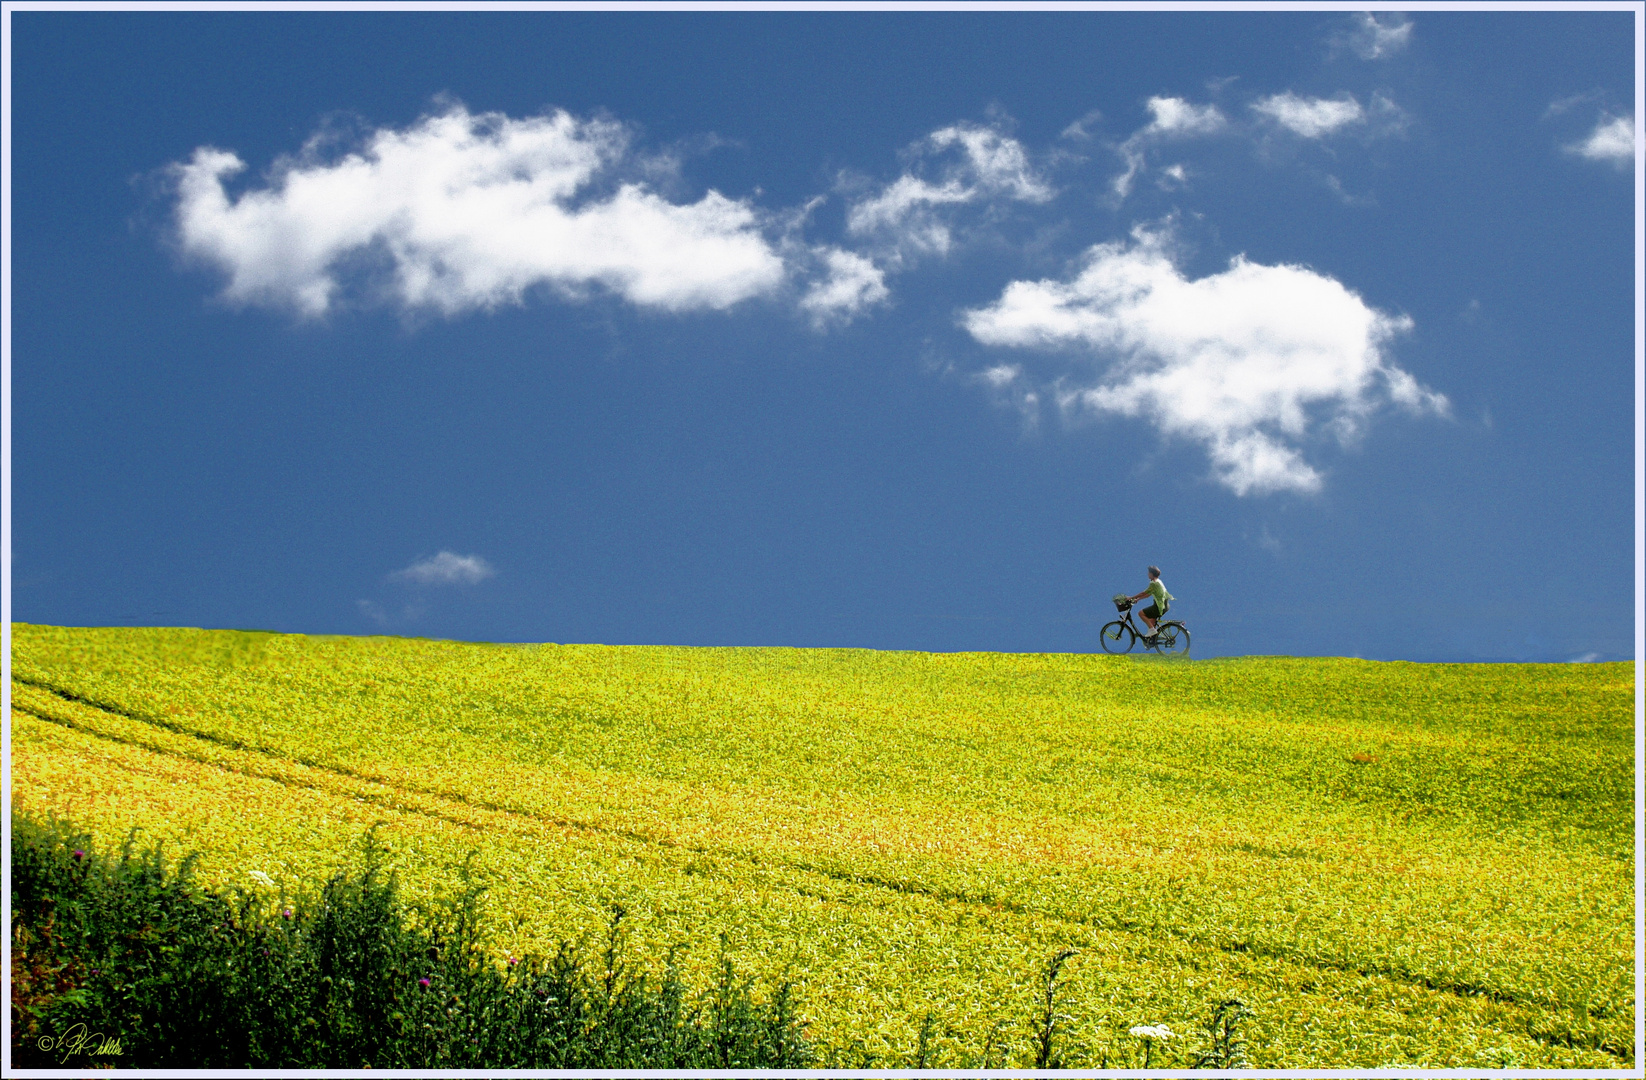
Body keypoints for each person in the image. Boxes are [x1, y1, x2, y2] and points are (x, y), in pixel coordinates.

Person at [1129, 566, 1174, 639]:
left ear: (1152, 574)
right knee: (1151, 621)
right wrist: (1138, 599)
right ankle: (1152, 639)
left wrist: (1130, 597)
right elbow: (1148, 594)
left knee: (1141, 613)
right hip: (1165, 606)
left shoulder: (1154, 583)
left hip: (1159, 607)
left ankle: (1152, 631)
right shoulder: (1158, 581)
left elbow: (1143, 593)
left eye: (1149, 573)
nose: (1148, 574)